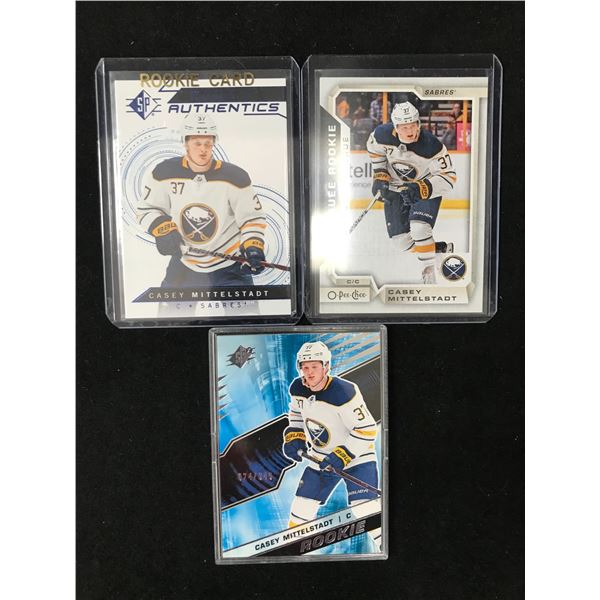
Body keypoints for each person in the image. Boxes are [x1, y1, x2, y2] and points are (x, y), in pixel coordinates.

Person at [136, 113, 267, 288]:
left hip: (230, 264)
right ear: (185, 143)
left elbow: (252, 218)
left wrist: (253, 245)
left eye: (208, 143)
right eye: (197, 143)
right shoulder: (164, 172)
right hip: (184, 263)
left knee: (245, 307)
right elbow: (147, 209)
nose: (203, 149)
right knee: (167, 306)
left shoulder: (235, 177)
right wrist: (162, 229)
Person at [282, 341, 382, 552]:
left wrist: (343, 455)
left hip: (357, 458)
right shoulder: (297, 388)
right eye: (305, 367)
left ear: (326, 367)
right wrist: (295, 436)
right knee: (301, 506)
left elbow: (367, 429)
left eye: (314, 367)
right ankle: (293, 550)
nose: (309, 372)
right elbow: (296, 414)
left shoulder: (344, 391)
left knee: (364, 509)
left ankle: (386, 542)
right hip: (320, 458)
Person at [367, 101, 457, 284]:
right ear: (395, 127)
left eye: (412, 125)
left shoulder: (431, 145)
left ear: (418, 124)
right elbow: (375, 151)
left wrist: (421, 189)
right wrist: (380, 176)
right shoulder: (381, 135)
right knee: (401, 242)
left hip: (424, 188)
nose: (409, 131)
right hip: (396, 188)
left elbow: (449, 177)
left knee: (419, 228)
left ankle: (429, 274)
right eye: (404, 126)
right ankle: (438, 249)